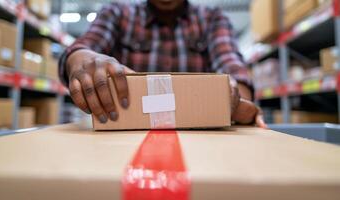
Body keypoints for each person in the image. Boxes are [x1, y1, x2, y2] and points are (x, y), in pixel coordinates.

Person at [59, 0, 267, 128]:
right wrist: (79, 58)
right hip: (122, 141)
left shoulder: (212, 19)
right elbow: (85, 47)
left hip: (200, 144)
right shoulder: (116, 13)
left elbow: (231, 66)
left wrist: (235, 97)